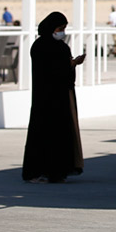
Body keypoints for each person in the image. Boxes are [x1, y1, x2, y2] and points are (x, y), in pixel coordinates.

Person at [22, 12, 85, 183]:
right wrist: (71, 64)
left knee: (44, 134)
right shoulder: (55, 47)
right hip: (57, 98)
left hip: (44, 98)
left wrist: (69, 64)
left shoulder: (38, 45)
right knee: (56, 135)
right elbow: (56, 71)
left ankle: (41, 170)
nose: (62, 32)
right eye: (60, 28)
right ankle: (54, 171)